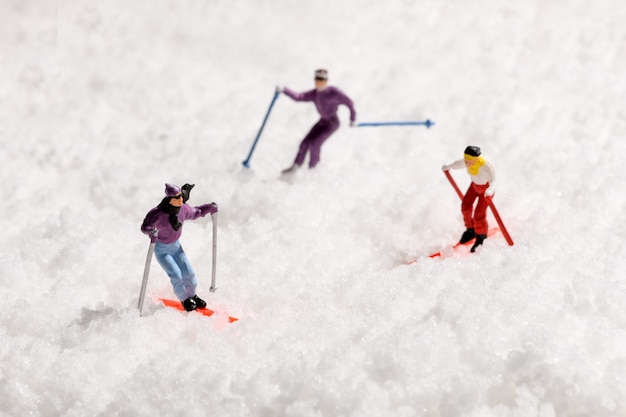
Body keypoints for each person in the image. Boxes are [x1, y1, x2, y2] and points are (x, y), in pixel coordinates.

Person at [141, 183, 218, 311]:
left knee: (189, 273)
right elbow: (145, 227)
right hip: (162, 250)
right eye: (176, 198)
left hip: (176, 248)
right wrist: (151, 231)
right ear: (169, 199)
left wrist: (209, 208)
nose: (180, 199)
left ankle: (193, 295)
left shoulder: (183, 209)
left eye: (180, 196)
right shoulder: (157, 214)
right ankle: (184, 299)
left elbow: (196, 212)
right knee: (176, 274)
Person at [278, 68, 357, 174]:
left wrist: (352, 118)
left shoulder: (333, 92)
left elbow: (349, 103)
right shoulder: (314, 94)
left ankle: (313, 170)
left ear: (326, 80)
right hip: (323, 121)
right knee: (305, 142)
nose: (319, 82)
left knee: (315, 144)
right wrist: (284, 90)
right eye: (317, 79)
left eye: (322, 79)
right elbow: (299, 97)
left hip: (332, 123)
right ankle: (295, 167)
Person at [442, 146, 496, 252]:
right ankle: (471, 229)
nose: (467, 163)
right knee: (465, 206)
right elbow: (460, 164)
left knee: (478, 215)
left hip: (486, 190)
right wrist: (449, 166)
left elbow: (494, 180)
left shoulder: (486, 166)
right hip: (474, 186)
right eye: (466, 160)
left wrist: (490, 191)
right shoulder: (468, 162)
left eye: (469, 161)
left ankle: (481, 236)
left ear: (476, 158)